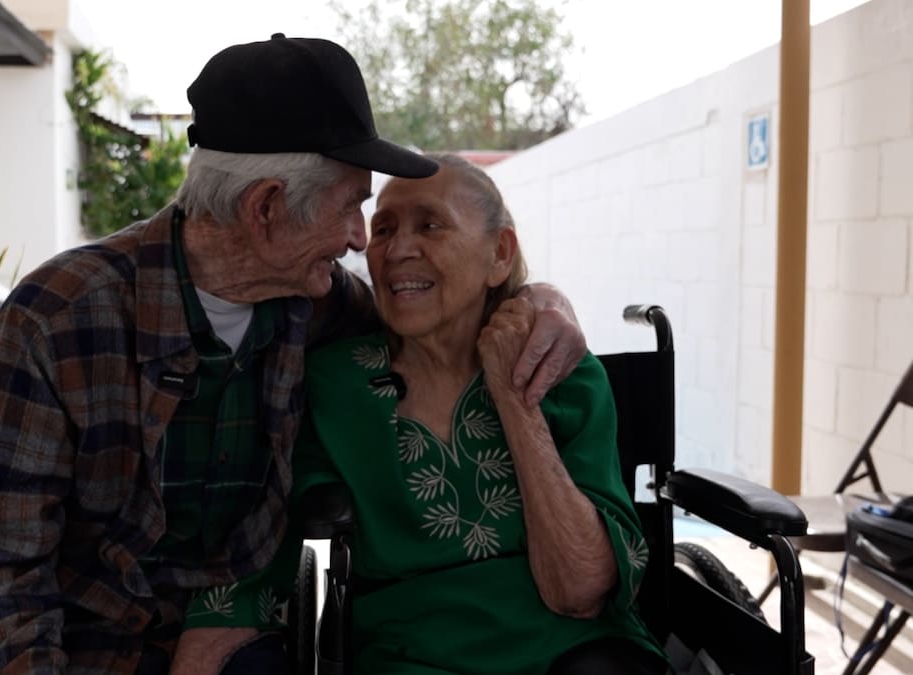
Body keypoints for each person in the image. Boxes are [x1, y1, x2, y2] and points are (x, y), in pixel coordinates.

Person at [0, 36, 587, 675]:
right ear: (267, 207)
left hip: (242, 640)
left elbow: (446, 312)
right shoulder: (60, 317)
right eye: (350, 208)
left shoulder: (320, 301)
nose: (359, 240)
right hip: (76, 650)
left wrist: (541, 301)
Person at [286, 154, 667, 674]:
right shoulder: (332, 385)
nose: (398, 250)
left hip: (573, 650)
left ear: (499, 254)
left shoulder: (563, 373)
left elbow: (580, 591)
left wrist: (513, 397)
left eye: (431, 225)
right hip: (410, 656)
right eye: (384, 229)